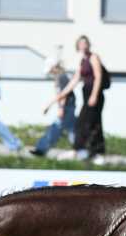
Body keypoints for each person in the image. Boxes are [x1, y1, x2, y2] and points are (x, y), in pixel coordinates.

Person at [52, 35, 106, 163]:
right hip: (86, 95)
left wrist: (94, 95)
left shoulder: (93, 57)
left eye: (85, 43)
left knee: (94, 123)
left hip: (95, 95)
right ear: (78, 46)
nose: (83, 45)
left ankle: (97, 154)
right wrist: (61, 95)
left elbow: (98, 76)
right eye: (81, 43)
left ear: (88, 45)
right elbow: (74, 80)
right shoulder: (83, 61)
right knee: (82, 123)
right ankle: (80, 150)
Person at [32, 57, 76, 156]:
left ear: (54, 67)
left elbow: (64, 95)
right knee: (72, 129)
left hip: (67, 107)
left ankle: (41, 149)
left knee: (56, 128)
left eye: (51, 70)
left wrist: (61, 108)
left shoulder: (62, 77)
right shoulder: (59, 77)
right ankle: (81, 149)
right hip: (68, 106)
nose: (50, 73)